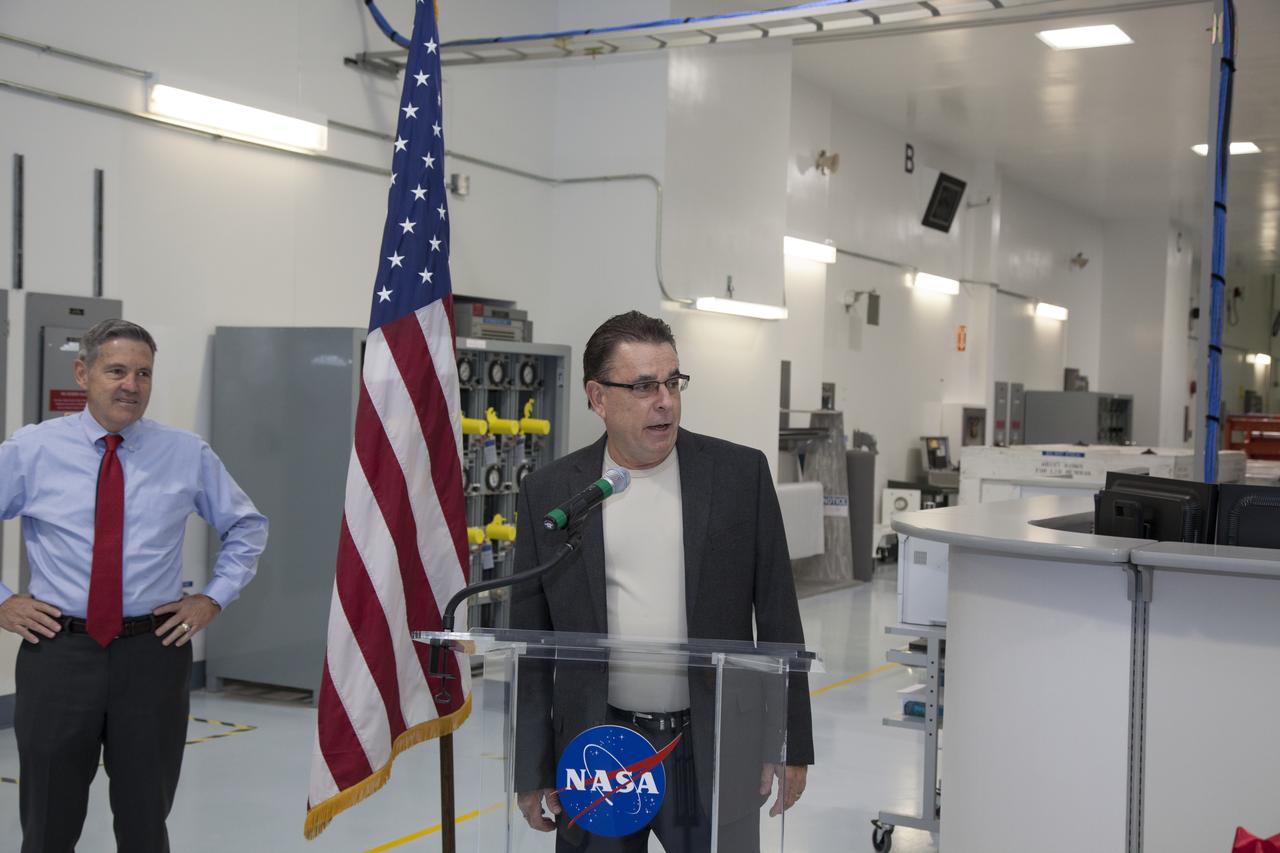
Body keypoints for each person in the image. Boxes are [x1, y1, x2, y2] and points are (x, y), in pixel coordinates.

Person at [510, 311, 812, 852]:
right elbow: (531, 647)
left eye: (673, 382)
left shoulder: (739, 476)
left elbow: (778, 615)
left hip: (711, 743)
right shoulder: (553, 494)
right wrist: (530, 766)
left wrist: (788, 741)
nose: (665, 401)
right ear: (598, 398)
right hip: (599, 748)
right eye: (644, 386)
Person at [0, 318, 268, 853]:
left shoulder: (185, 453)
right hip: (59, 653)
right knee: (49, 821)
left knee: (146, 819)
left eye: (143, 373)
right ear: (83, 373)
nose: (131, 385)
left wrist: (212, 597)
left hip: (152, 656)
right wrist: (3, 603)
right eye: (117, 371)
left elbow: (247, 525)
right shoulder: (31, 450)